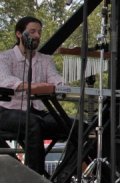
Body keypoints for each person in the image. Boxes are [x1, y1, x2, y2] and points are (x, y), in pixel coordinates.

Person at [0, 16, 65, 175]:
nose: (37, 35)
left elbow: (55, 80)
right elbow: (4, 79)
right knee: (33, 123)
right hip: (6, 111)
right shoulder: (4, 57)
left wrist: (61, 86)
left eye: (39, 32)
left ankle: (64, 175)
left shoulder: (45, 60)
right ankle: (34, 177)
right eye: (32, 32)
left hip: (36, 111)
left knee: (79, 126)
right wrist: (33, 86)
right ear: (18, 34)